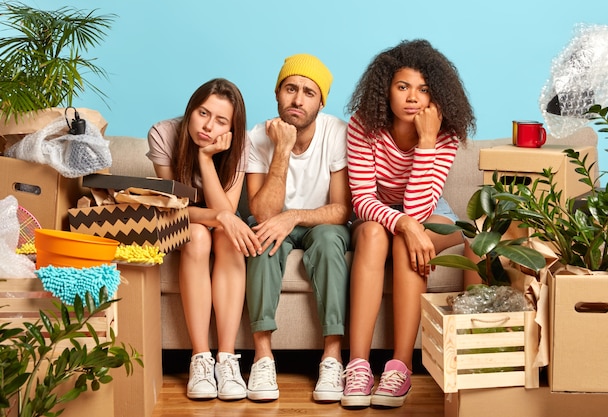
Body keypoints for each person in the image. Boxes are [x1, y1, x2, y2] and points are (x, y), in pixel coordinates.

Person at [341, 39, 478, 408]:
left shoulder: (444, 132)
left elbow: (420, 209)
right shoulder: (363, 125)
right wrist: (403, 223)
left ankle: (399, 366)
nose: (412, 97)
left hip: (431, 212)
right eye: (403, 87)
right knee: (371, 234)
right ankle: (357, 364)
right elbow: (362, 200)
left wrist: (428, 140)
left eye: (423, 90)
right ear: (385, 88)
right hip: (377, 213)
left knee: (408, 241)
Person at [244, 53, 351, 403]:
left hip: (320, 223)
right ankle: (262, 357)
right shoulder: (258, 136)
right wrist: (282, 149)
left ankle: (332, 357)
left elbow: (341, 209)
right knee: (259, 237)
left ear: (321, 101)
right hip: (273, 223)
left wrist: (293, 216)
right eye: (291, 89)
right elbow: (262, 212)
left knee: (331, 239)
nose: (298, 99)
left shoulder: (337, 132)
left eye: (308, 92)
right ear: (277, 93)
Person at [146, 78, 261, 401]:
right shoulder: (164, 133)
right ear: (191, 109)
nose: (208, 127)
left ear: (232, 128)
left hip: (219, 223)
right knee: (198, 236)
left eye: (221, 121)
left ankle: (226, 358)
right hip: (182, 223)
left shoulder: (241, 145)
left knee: (227, 237)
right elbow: (174, 209)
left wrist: (206, 159)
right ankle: (200, 358)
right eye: (203, 113)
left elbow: (225, 212)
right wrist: (220, 217)